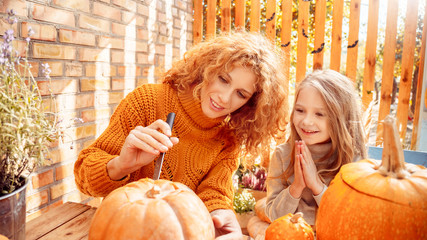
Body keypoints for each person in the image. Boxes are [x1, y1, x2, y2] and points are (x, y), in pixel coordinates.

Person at [74, 31, 288, 239]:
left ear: (250, 104)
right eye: (223, 79)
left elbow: (214, 193)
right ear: (207, 68)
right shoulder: (147, 101)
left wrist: (221, 214)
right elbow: (84, 177)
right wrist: (122, 164)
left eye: (240, 94)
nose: (224, 98)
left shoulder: (227, 140)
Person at [265, 69, 367, 227]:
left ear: (341, 119)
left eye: (319, 114)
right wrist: (296, 187)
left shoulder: (353, 161)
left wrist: (316, 186)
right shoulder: (282, 155)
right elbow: (274, 217)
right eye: (300, 110)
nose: (306, 121)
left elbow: (349, 220)